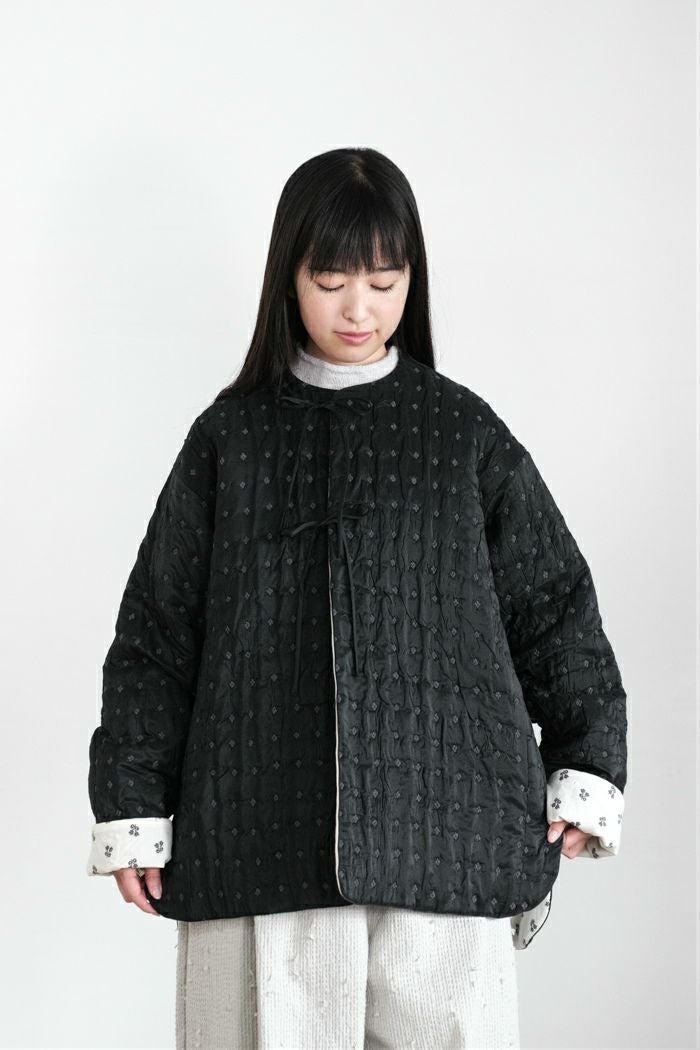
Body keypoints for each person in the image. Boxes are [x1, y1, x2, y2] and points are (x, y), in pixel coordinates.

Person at [86, 147, 628, 1050]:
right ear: (288, 277)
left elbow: (554, 605)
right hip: (259, 833)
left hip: (450, 840)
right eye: (331, 280)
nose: (359, 309)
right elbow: (157, 634)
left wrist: (589, 757)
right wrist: (131, 800)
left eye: (384, 281)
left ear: (412, 278)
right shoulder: (231, 440)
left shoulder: (461, 433)